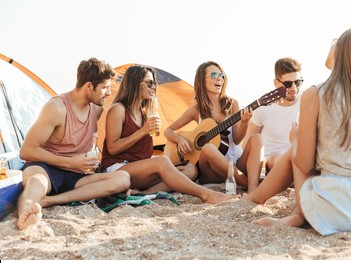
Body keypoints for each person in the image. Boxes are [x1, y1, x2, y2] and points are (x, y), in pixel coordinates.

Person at [250, 26, 351, 235]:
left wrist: (295, 139)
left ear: (341, 53)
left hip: (336, 209)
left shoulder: (316, 93)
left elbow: (304, 163)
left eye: (337, 41)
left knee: (298, 147)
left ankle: (297, 214)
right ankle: (256, 197)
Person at [17, 58, 131, 230]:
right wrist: (70, 162)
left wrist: (84, 163)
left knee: (123, 179)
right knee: (35, 182)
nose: (109, 93)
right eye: (105, 88)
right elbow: (26, 151)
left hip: (76, 176)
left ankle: (49, 201)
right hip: (46, 168)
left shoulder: (97, 109)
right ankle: (27, 215)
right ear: (89, 87)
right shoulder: (57, 107)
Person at [100, 65, 238, 203]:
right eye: (149, 82)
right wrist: (143, 131)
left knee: (191, 170)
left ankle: (144, 192)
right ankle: (206, 194)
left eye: (154, 83)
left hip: (138, 169)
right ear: (135, 83)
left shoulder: (144, 114)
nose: (153, 86)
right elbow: (112, 148)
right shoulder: (118, 109)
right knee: (162, 161)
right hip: (117, 169)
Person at [164, 61, 262, 193]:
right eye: (214, 75)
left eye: (221, 75)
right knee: (208, 147)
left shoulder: (232, 104)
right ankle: (247, 182)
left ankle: (252, 188)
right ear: (201, 80)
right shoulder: (196, 109)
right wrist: (180, 140)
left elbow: (237, 140)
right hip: (211, 170)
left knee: (257, 139)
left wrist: (245, 123)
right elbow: (168, 131)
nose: (219, 78)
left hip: (235, 163)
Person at [242, 57, 303, 174]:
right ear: (276, 83)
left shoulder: (307, 102)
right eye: (288, 84)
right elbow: (247, 144)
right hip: (271, 161)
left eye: (298, 82)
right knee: (281, 158)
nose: (294, 88)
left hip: (298, 158)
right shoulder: (263, 108)